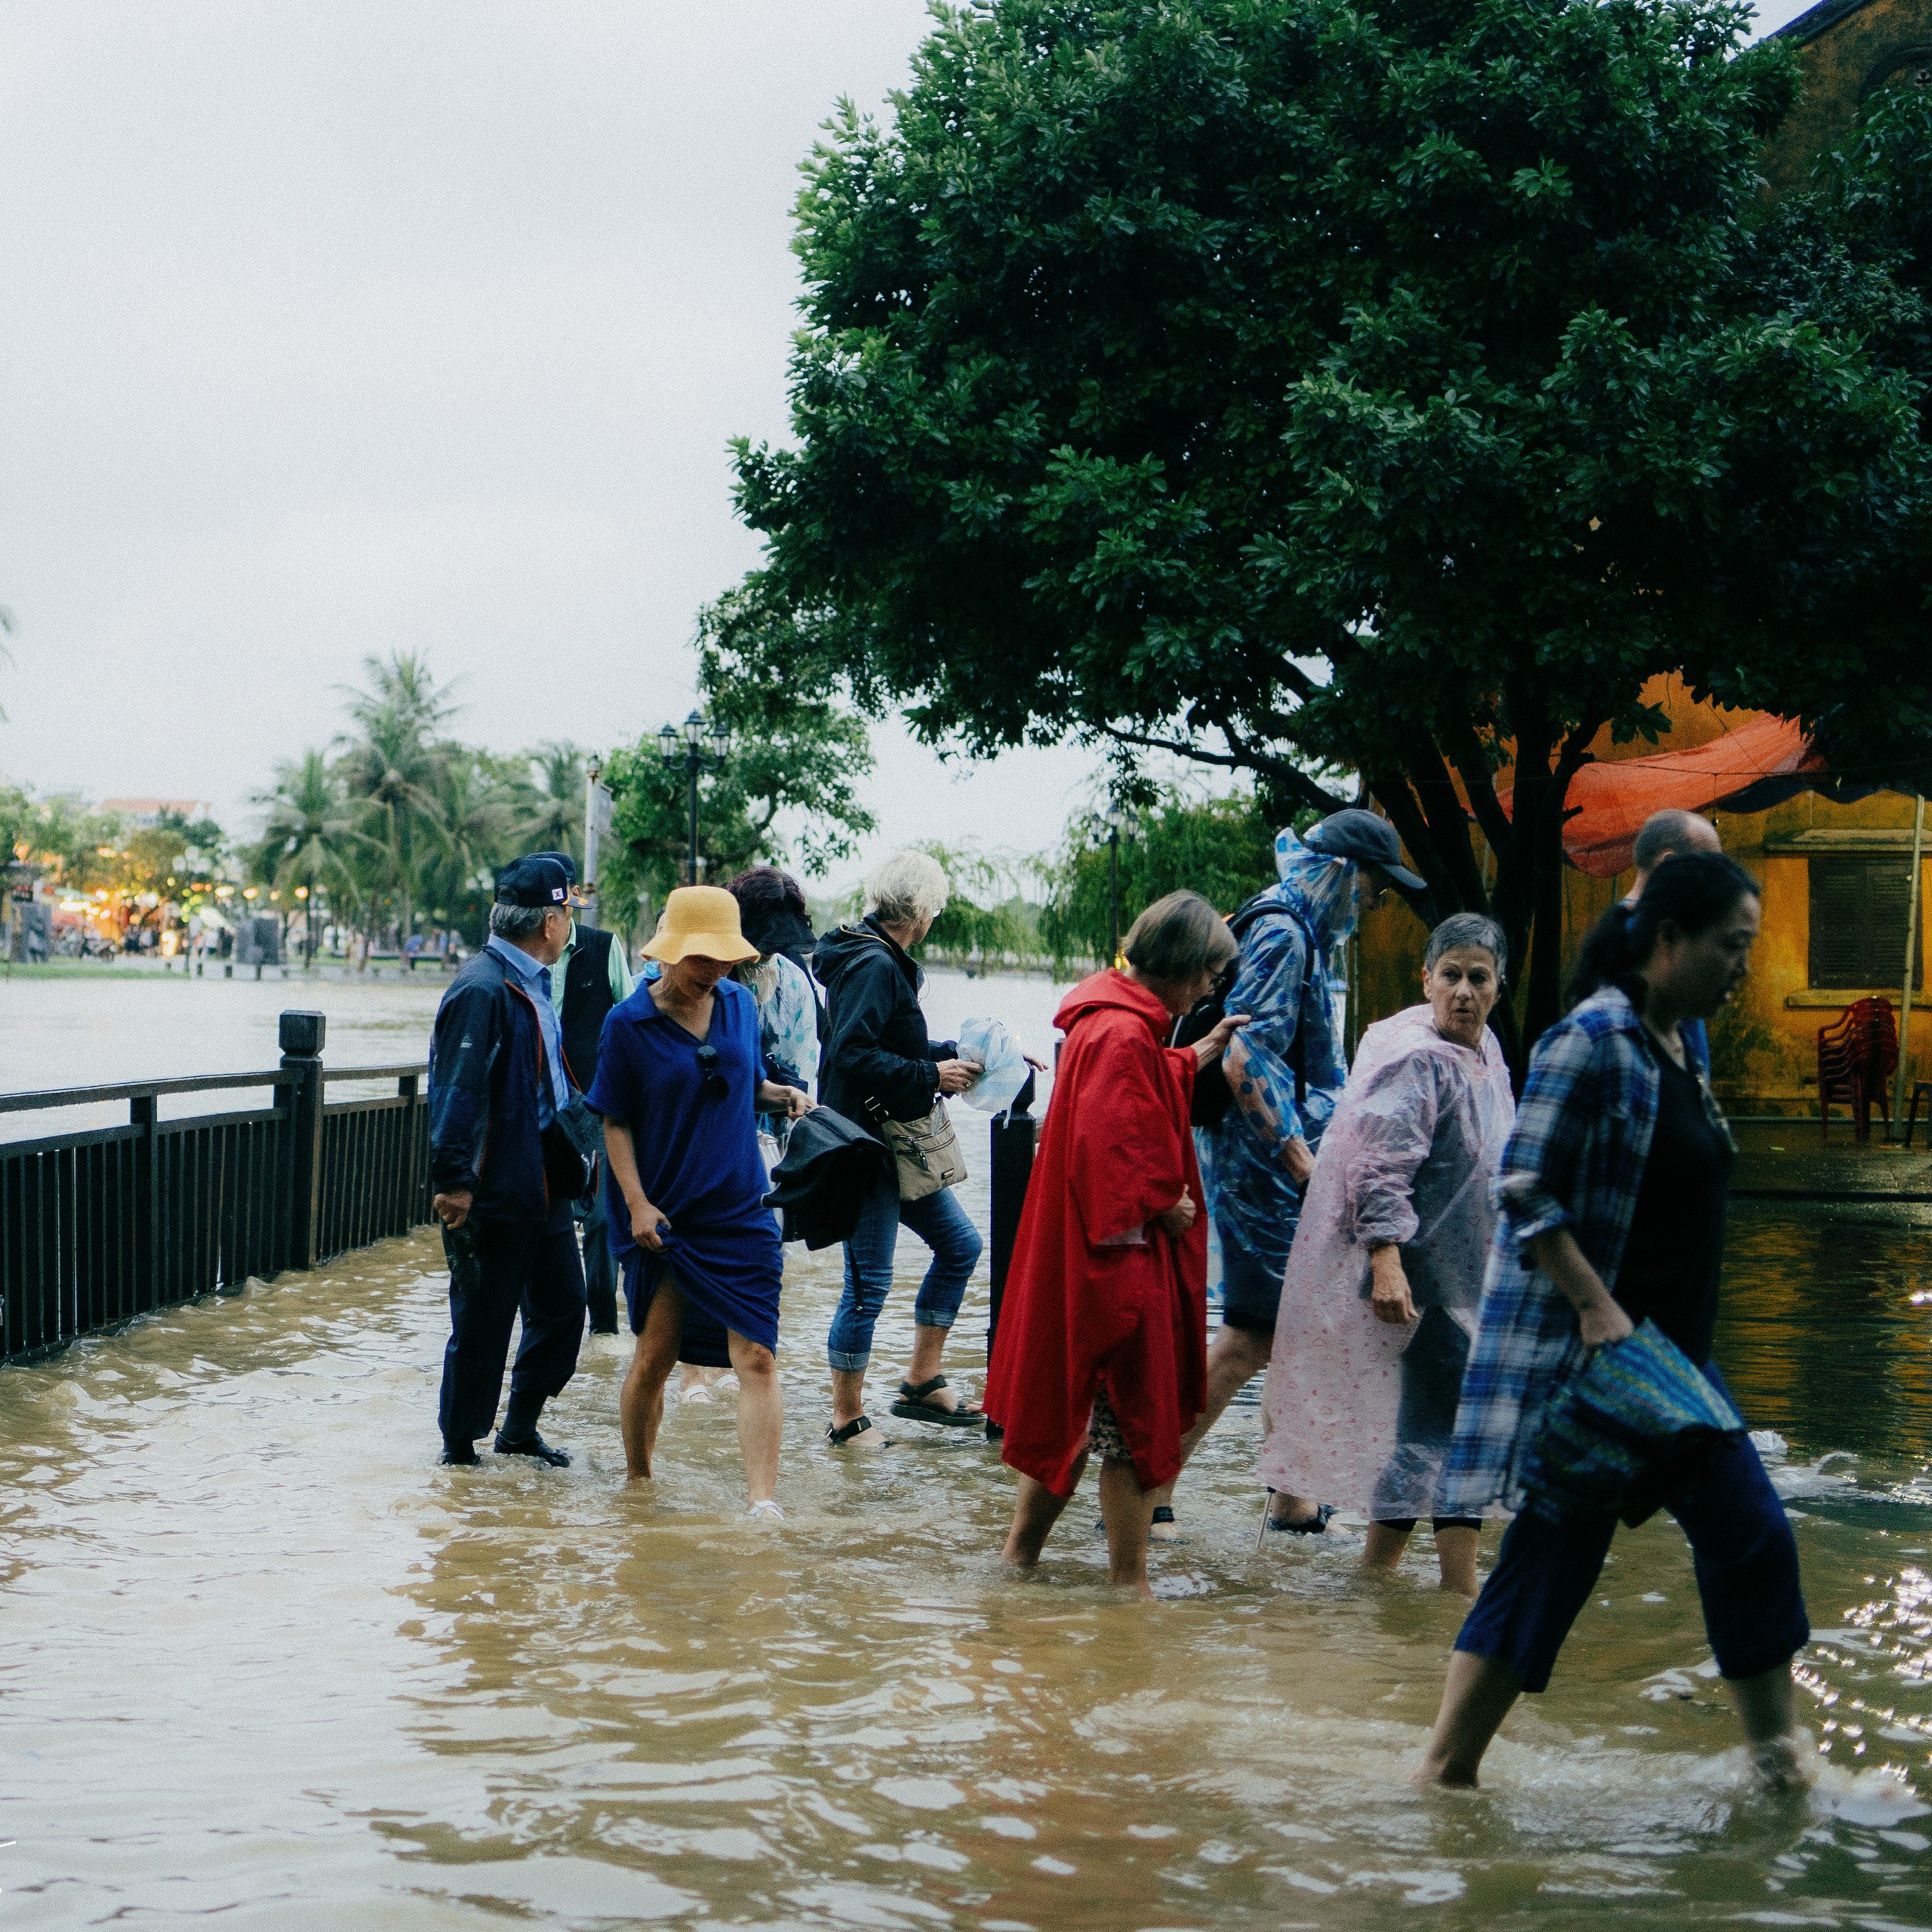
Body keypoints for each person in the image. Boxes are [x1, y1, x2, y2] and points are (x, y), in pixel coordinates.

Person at [1416, 853, 1811, 1789]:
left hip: (1675, 1364)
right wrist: (1596, 1308)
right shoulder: (1591, 1038)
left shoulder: (1682, 1042)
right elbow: (1522, 1183)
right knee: (1562, 1564)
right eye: (1730, 946)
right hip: (1602, 1368)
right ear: (1667, 939)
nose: (1741, 967)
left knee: (1738, 1539)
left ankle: (1778, 1768)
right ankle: (1444, 1770)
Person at [1155, 809, 1423, 1537]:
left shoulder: (1294, 929)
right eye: (1373, 889)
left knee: (1286, 1331)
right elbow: (1243, 1054)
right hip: (1263, 1171)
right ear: (1340, 873)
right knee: (1253, 1335)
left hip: (1269, 1167)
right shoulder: (1283, 933)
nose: (1373, 906)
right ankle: (1148, 1488)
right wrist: (1299, 1159)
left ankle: (1290, 1495)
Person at [986, 892, 1248, 1592]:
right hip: (1116, 1265)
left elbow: (1121, 1099)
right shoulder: (1126, 1033)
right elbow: (1113, 1148)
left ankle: (1019, 1562)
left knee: (1075, 1422)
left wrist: (1190, 1056)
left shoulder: (1106, 1018)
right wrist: (1168, 1203)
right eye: (1206, 974)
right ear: (1182, 965)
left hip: (1083, 1257)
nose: (1208, 989)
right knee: (1134, 1430)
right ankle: (1129, 1589)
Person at [1257, 914, 1514, 1595]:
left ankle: (1377, 1576)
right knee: (1454, 1431)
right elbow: (1378, 1166)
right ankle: (1458, 1591)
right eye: (1450, 975)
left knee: (1425, 1429)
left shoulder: (1486, 1055)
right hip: (1422, 1278)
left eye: (1478, 978)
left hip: (1467, 1279)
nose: (1463, 991)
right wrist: (1386, 1260)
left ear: (1499, 987)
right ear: (1425, 980)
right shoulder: (1419, 1058)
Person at [586, 886, 814, 1518]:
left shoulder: (738, 1005)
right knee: (655, 1359)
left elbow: (739, 1081)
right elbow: (615, 1121)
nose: (714, 970)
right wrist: (635, 1204)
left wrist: (779, 1094)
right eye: (701, 959)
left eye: (724, 958)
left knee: (758, 1357)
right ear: (669, 953)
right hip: (668, 1214)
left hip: (742, 1207)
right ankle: (639, 1481)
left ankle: (762, 1504)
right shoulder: (628, 1024)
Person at [812, 851, 987, 1448]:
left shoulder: (877, 956)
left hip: (894, 1148)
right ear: (920, 910)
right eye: (936, 906)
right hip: (865, 1148)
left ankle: (920, 1381)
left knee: (961, 1246)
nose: (937, 915)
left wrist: (961, 1056)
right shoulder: (874, 966)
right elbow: (851, 1056)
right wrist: (932, 1076)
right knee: (868, 1284)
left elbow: (892, 1041)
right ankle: (846, 1419)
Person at [428, 854, 592, 1469]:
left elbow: (551, 1088)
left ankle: (518, 1429)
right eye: (568, 912)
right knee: (482, 1322)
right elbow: (456, 1089)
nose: (571, 923)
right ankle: (459, 1452)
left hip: (541, 1179)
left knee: (564, 1306)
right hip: (491, 1187)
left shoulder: (530, 984)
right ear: (549, 922)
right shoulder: (482, 988)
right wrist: (453, 1182)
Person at [526, 850, 636, 1337]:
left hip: (594, 1102)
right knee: (537, 1210)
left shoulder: (603, 946)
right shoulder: (521, 953)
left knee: (600, 1221)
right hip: (535, 1105)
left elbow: (630, 1021)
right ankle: (542, 1326)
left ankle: (604, 1332)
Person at [1574, 809, 1723, 1075]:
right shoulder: (1636, 939)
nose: (1716, 878)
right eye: (1707, 864)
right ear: (1668, 864)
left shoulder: (1661, 931)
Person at [724, 866, 823, 1152]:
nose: (766, 952)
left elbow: (803, 1057)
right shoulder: (715, 976)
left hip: (776, 1118)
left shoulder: (793, 981)